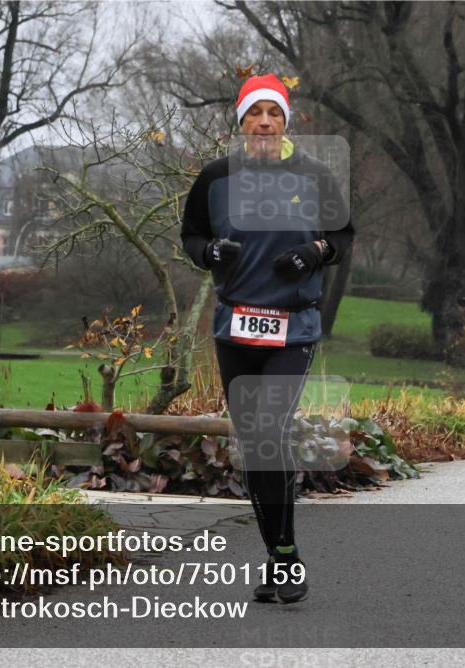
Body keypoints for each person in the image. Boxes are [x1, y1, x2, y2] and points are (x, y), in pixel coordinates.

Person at [180, 73, 355, 604]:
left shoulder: (314, 175)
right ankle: (281, 557)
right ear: (241, 122)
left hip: (293, 327)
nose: (263, 121)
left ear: (285, 121)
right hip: (235, 327)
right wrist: (209, 254)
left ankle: (285, 559)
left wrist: (315, 253)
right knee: (256, 443)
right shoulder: (215, 178)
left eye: (273, 113)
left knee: (270, 429)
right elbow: (191, 233)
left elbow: (343, 235)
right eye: (254, 112)